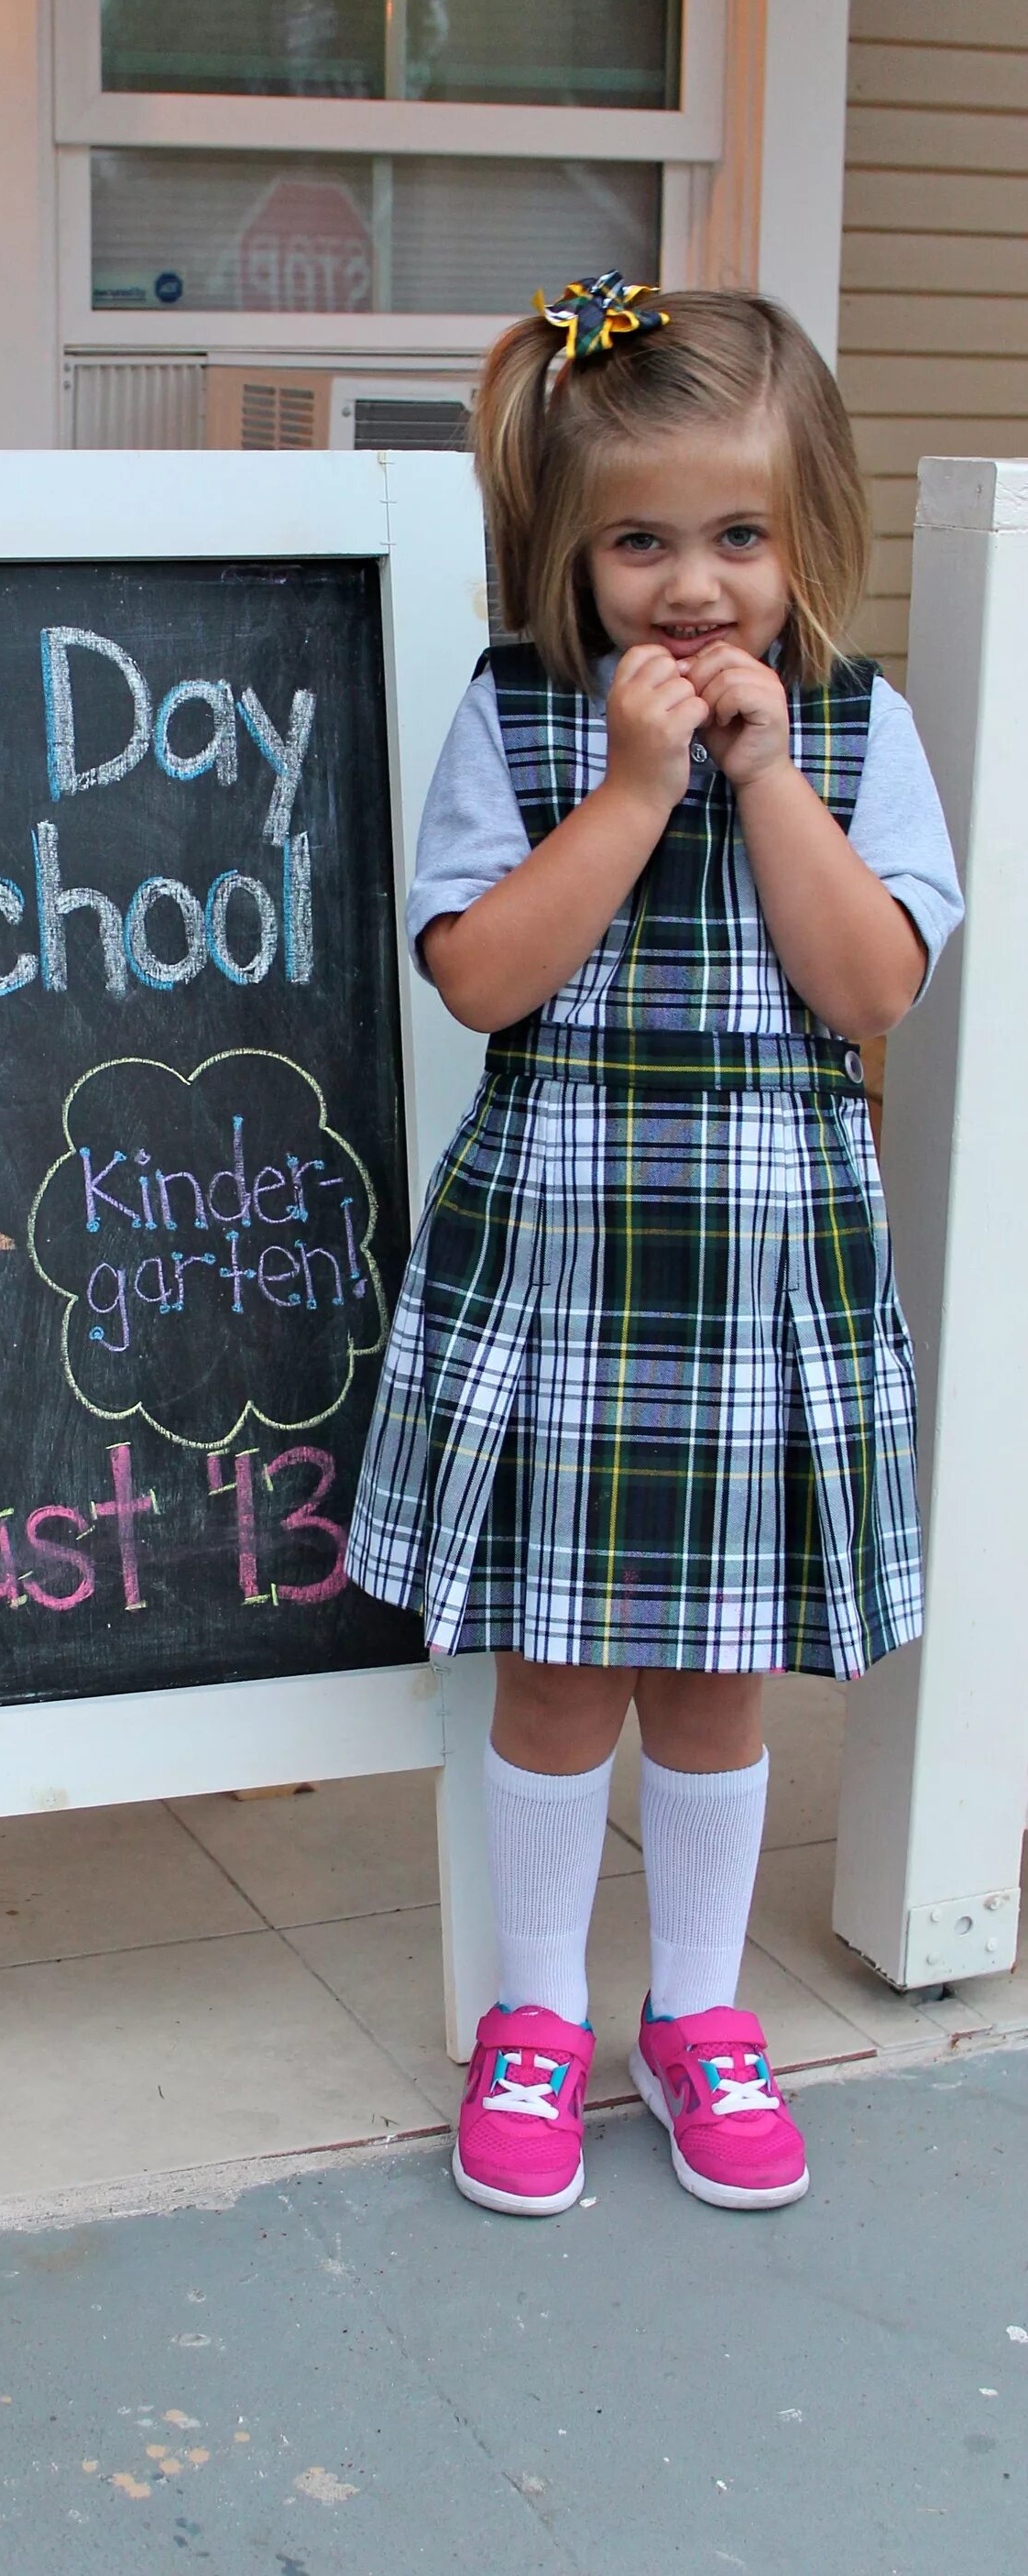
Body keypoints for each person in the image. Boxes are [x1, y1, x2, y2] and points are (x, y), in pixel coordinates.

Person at [346, 276, 963, 2217]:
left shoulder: (861, 731)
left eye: (736, 537)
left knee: (717, 1680)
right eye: (637, 541)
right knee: (555, 1672)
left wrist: (765, 777)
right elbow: (479, 978)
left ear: (807, 540)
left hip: (760, 1285)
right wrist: (630, 794)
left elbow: (871, 984)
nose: (687, 587)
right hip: (564, 1273)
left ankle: (694, 2016)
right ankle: (533, 2014)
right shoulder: (518, 720)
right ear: (564, 551)